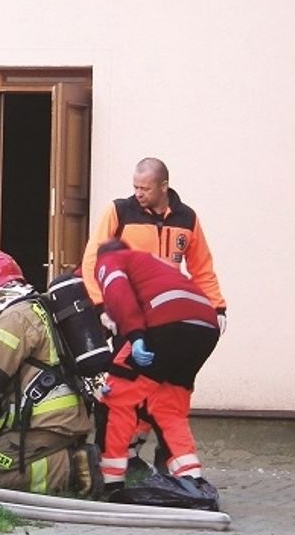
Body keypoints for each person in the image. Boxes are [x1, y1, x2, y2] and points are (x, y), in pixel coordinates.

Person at [80, 157, 226, 469]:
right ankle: (115, 458)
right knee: (124, 386)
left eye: (145, 188)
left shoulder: (187, 218)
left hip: (170, 322)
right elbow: (95, 259)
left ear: (163, 186)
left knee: (169, 390)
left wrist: (217, 307)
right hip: (130, 316)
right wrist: (102, 306)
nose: (138, 193)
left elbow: (201, 268)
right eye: (135, 187)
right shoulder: (120, 211)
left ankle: (163, 461)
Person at [0, 250, 101, 496]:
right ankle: (65, 458)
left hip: (45, 423)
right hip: (62, 420)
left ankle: (70, 468)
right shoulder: (38, 305)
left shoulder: (15, 316)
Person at [92, 239, 220, 499]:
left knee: (117, 398)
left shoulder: (110, 260)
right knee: (168, 407)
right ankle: (190, 479)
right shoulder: (153, 262)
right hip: (206, 327)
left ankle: (112, 483)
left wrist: (136, 334)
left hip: (167, 323)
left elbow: (118, 291)